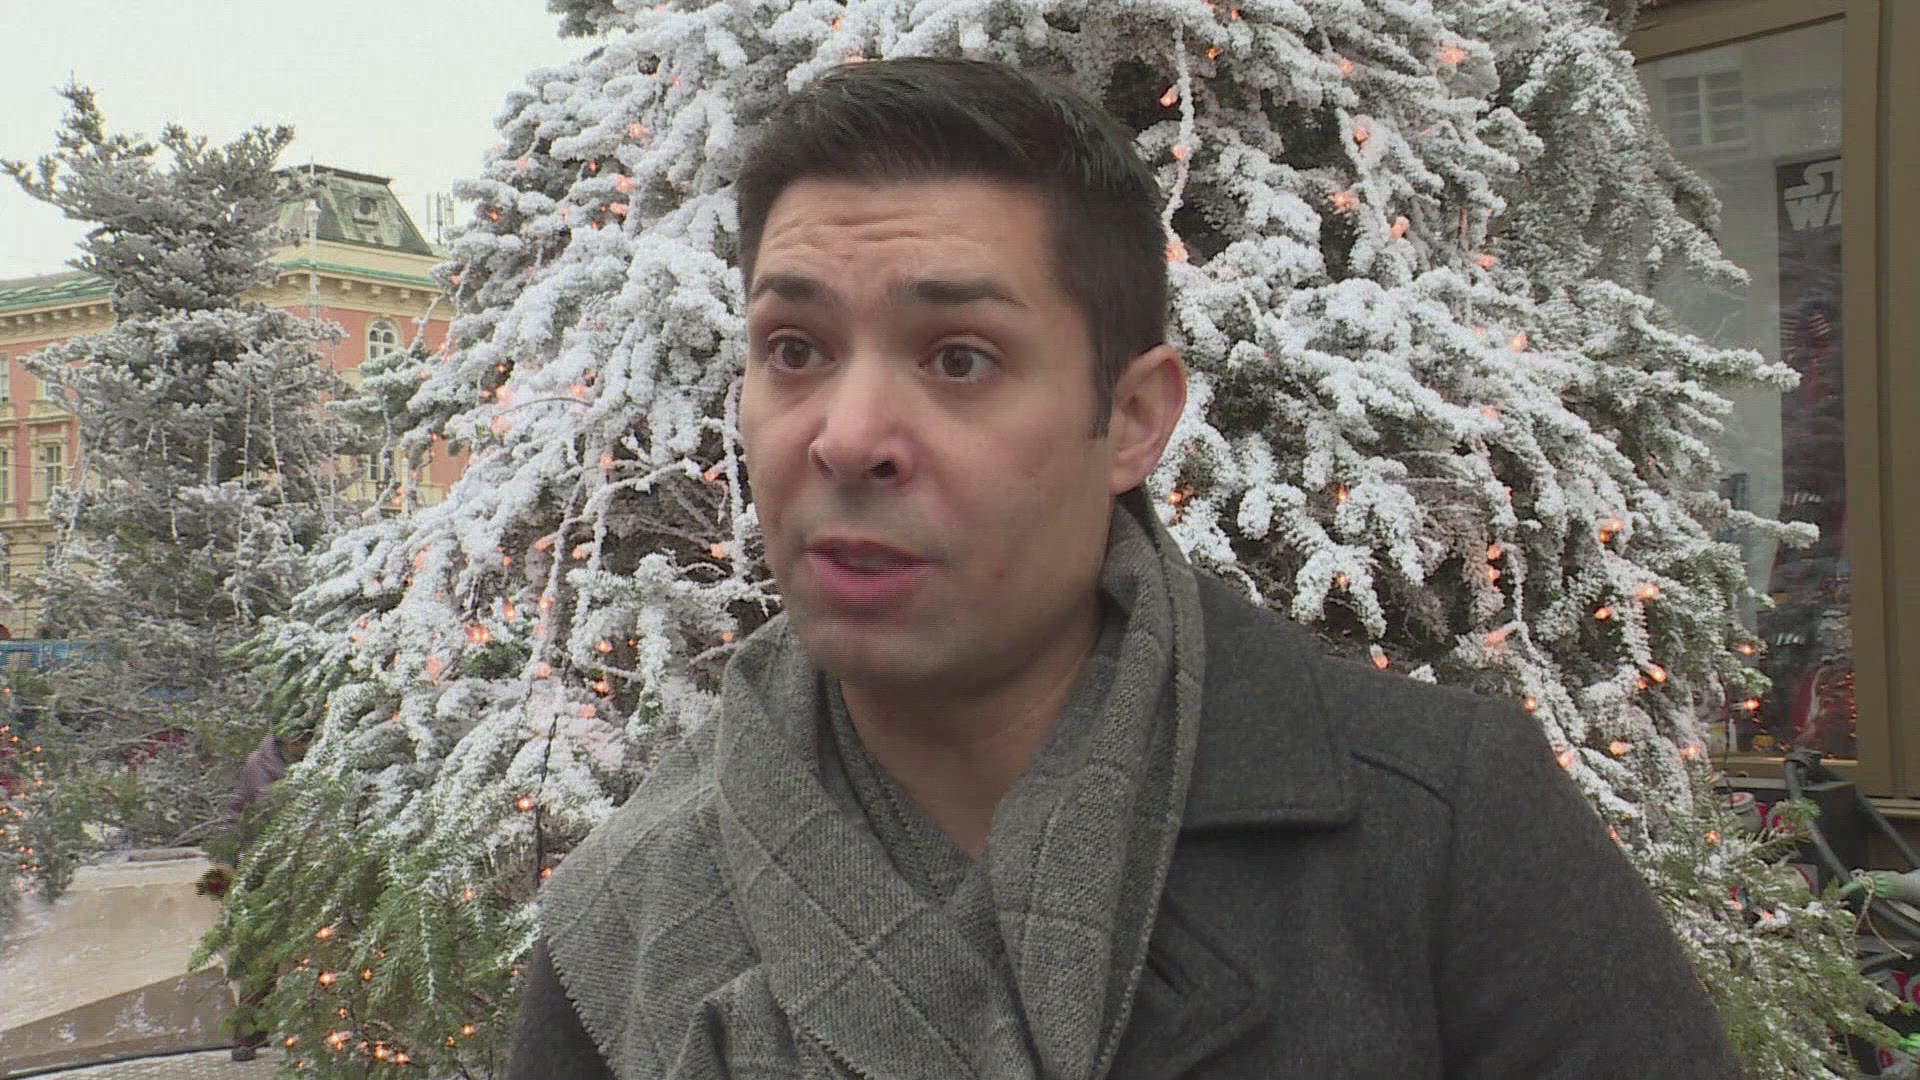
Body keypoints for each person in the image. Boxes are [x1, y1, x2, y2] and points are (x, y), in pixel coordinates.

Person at [507, 58, 1740, 1079]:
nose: (846, 434)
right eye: (794, 349)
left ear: (1135, 420)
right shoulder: (626, 925)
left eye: (959, 358)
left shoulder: (1443, 836)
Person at [221, 729, 308, 1061]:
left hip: (310, 867)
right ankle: (248, 1035)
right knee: (261, 956)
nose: (302, 746)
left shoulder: (323, 761)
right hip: (266, 871)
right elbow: (234, 812)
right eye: (297, 739)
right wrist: (234, 857)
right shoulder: (258, 765)